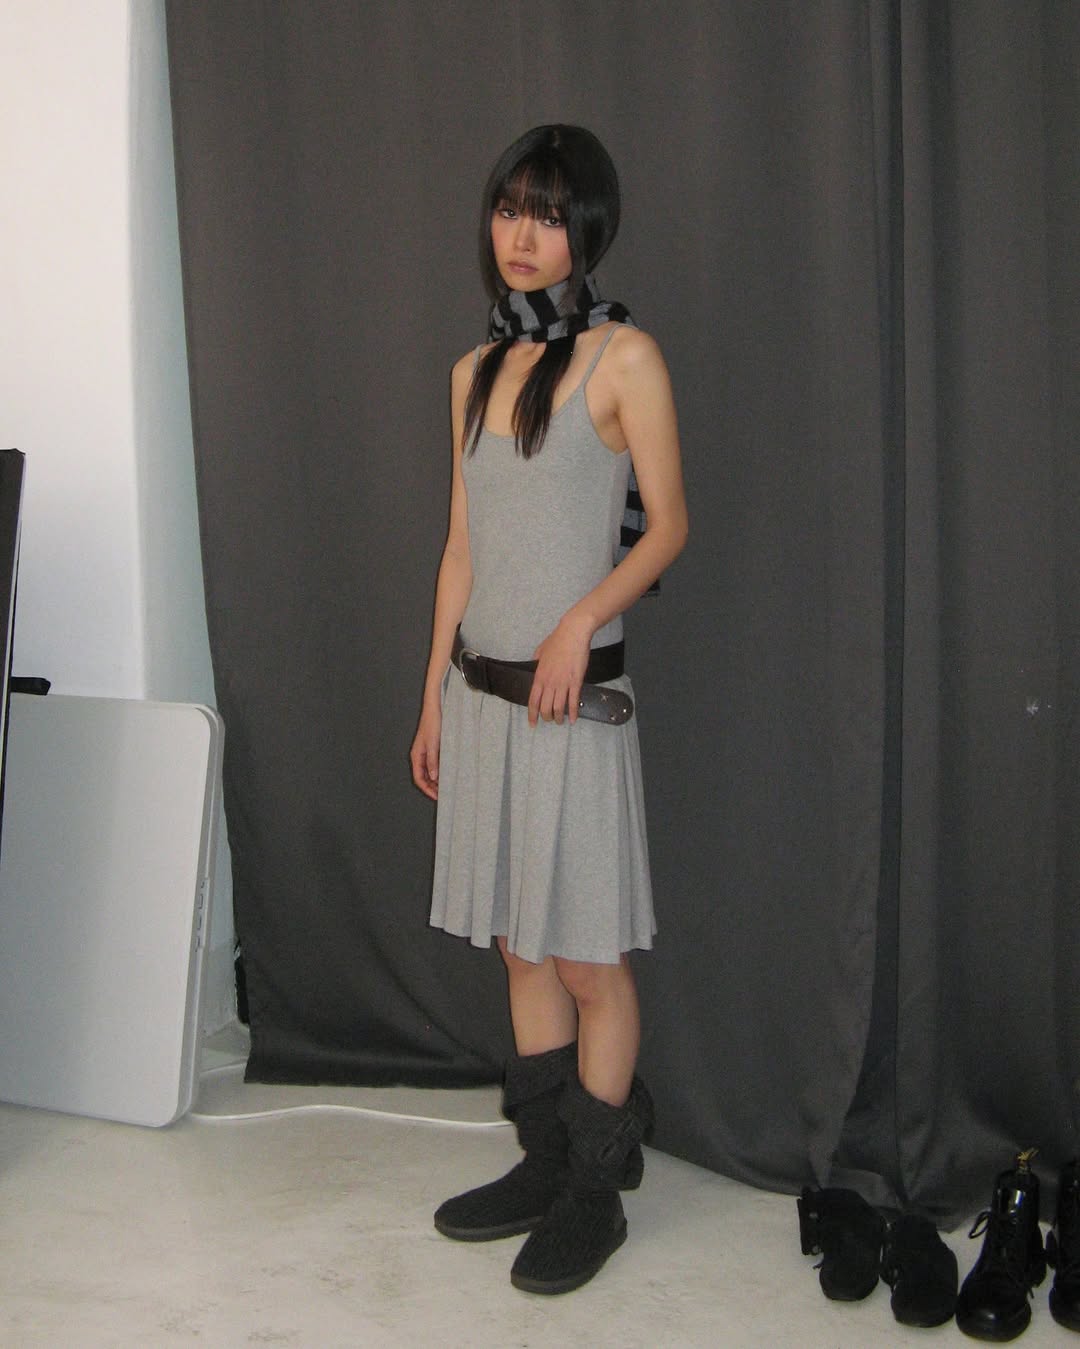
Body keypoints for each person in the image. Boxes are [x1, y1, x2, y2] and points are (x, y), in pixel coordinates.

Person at [410, 124, 688, 1295]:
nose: (521, 234)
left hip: (573, 709)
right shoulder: (472, 375)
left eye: (548, 212)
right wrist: (433, 694)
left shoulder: (625, 358)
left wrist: (583, 618)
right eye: (509, 208)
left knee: (585, 957)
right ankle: (545, 1158)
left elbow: (668, 525)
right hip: (483, 702)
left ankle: (594, 1192)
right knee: (519, 944)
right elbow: (462, 549)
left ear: (589, 228)